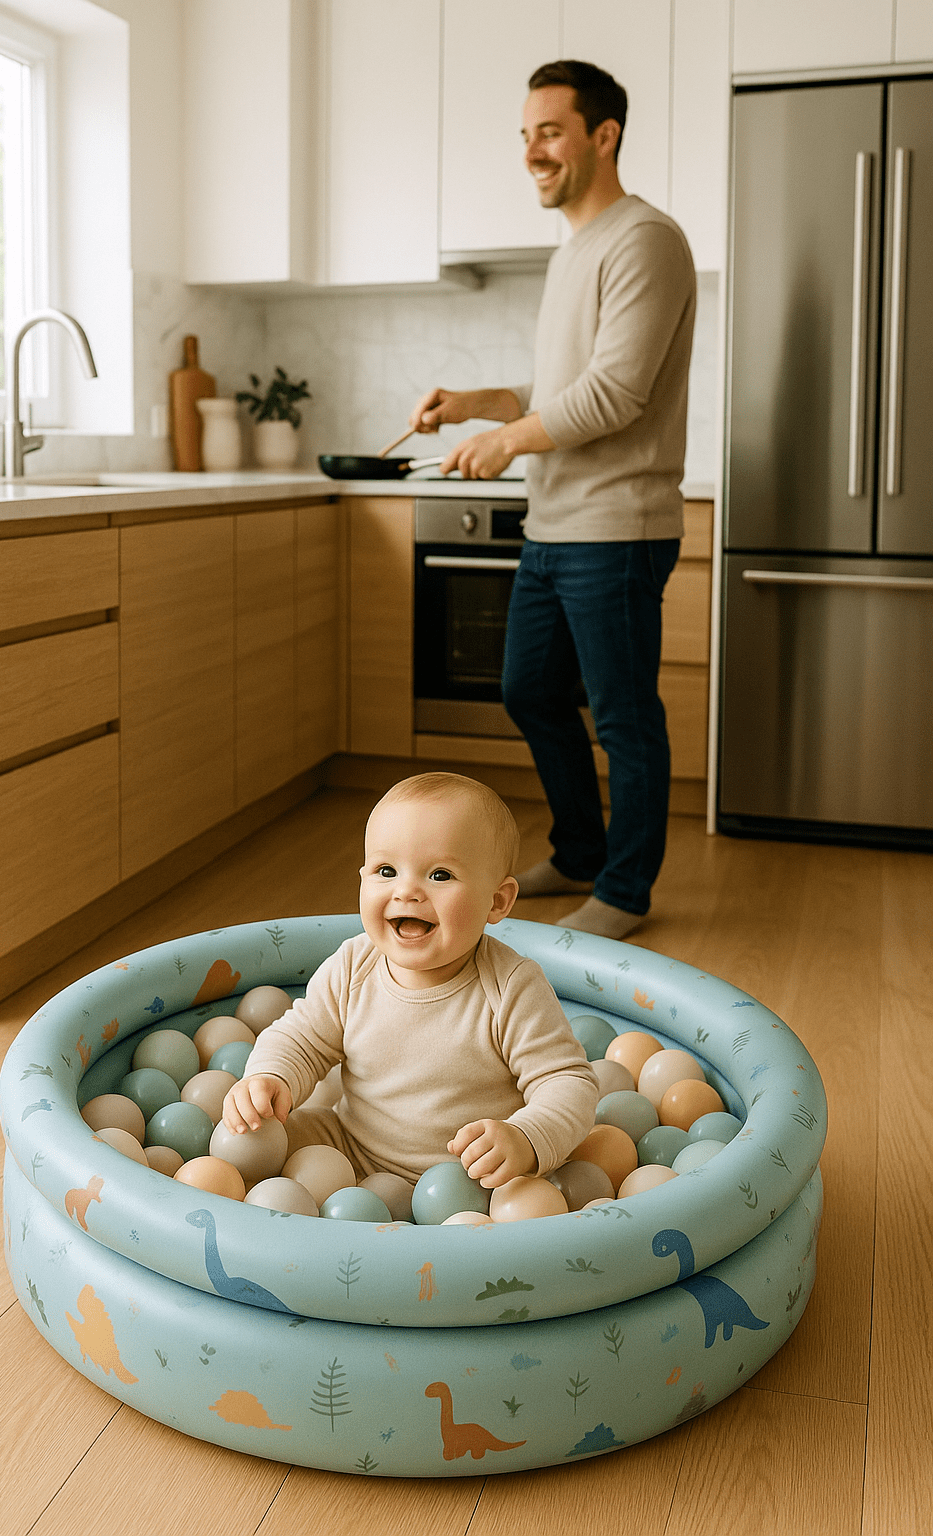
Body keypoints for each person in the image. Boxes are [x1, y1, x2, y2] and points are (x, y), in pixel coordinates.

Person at [409, 60, 696, 941]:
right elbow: (562, 386)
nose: (532, 150)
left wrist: (506, 441)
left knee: (624, 718)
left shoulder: (643, 239)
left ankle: (624, 888)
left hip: (616, 526)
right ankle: (577, 851)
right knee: (529, 689)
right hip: (559, 523)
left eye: (551, 131)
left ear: (602, 136)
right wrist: (485, 403)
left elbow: (615, 393)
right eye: (526, 133)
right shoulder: (575, 247)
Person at [221, 772, 599, 1189]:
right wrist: (269, 1078)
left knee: (524, 1201)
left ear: (497, 901)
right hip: (349, 1147)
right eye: (386, 870)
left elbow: (567, 1083)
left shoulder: (511, 987)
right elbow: (302, 1039)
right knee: (248, 1143)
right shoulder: (352, 966)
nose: (407, 891)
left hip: (471, 1181)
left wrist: (526, 1138)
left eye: (439, 875)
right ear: (362, 878)